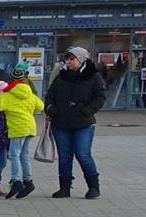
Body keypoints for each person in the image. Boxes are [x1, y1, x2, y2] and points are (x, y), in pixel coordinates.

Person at [44, 46, 106, 198]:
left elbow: (100, 97)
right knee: (64, 156)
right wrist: (51, 109)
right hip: (62, 122)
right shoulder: (61, 76)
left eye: (72, 59)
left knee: (83, 154)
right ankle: (64, 187)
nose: (69, 62)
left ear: (81, 59)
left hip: (83, 122)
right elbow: (49, 96)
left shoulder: (93, 76)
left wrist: (87, 111)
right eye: (68, 59)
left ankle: (93, 187)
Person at [0, 66, 43, 197]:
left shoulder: (8, 95)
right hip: (30, 127)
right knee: (24, 155)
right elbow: (40, 106)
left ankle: (16, 180)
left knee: (14, 155)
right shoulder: (29, 93)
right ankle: (28, 181)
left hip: (17, 128)